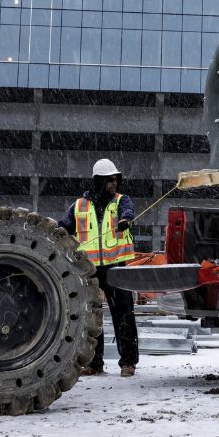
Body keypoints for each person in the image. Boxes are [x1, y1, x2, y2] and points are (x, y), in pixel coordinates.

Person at [60, 158, 139, 377]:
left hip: (116, 267)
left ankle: (128, 363)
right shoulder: (78, 206)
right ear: (99, 182)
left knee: (124, 314)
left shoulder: (121, 201)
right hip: (89, 269)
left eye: (116, 180)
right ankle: (94, 363)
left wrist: (126, 220)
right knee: (91, 317)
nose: (115, 184)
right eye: (110, 180)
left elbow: (128, 211)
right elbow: (62, 228)